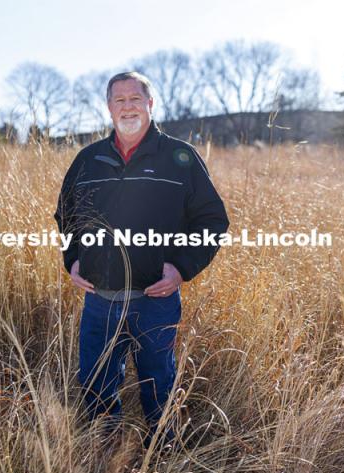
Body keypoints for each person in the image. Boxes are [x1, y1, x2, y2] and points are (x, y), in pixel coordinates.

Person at [54, 71, 229, 447]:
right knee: (96, 383)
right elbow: (65, 214)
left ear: (150, 104)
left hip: (155, 300)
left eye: (136, 99)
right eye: (120, 100)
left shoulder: (179, 158)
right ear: (108, 107)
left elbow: (212, 220)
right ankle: (106, 453)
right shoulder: (88, 160)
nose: (128, 106)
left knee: (158, 384)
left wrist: (182, 268)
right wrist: (73, 259)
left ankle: (162, 454)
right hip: (99, 300)